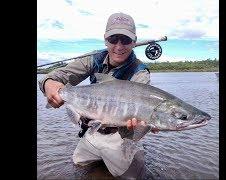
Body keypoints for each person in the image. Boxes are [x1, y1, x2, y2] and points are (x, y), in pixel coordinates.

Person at [39, 12, 156, 179]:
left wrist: (146, 123)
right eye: (113, 39)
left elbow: (143, 115)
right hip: (92, 131)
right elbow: (52, 77)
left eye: (126, 40)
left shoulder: (140, 73)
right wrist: (49, 84)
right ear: (105, 39)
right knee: (79, 168)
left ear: (134, 42)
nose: (119, 46)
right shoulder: (93, 59)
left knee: (132, 176)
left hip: (119, 137)